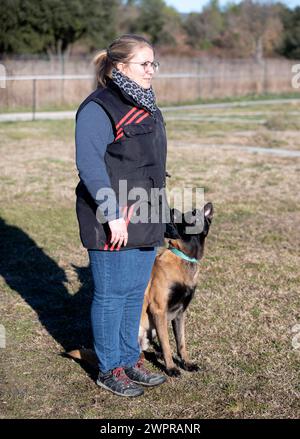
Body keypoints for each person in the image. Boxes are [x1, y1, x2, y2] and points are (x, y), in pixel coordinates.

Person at [75, 34, 168, 397]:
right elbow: (89, 164)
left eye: (153, 63)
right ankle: (109, 367)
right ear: (119, 66)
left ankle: (130, 360)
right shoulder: (99, 106)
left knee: (133, 294)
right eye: (144, 63)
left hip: (146, 212)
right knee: (112, 294)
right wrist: (112, 214)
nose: (151, 70)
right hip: (113, 217)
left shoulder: (148, 104)